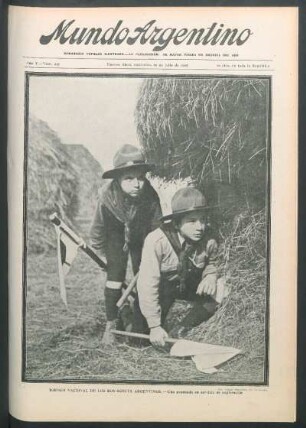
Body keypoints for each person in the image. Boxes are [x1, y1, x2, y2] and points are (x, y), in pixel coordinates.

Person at [90, 144, 162, 345]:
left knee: (144, 278)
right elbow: (97, 227)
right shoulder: (107, 197)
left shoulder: (150, 195)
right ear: (117, 180)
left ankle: (139, 322)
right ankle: (111, 325)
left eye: (140, 177)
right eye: (129, 179)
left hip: (142, 238)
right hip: (116, 235)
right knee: (115, 276)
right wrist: (101, 252)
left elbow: (158, 227)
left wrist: (153, 254)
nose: (137, 184)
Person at [137, 187, 227, 347]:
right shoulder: (157, 241)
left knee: (222, 288)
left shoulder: (209, 238)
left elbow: (215, 261)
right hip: (164, 290)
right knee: (142, 339)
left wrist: (211, 276)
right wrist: (154, 325)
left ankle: (183, 327)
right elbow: (147, 284)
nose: (200, 227)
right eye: (192, 221)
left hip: (191, 285)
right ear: (177, 223)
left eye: (203, 220)